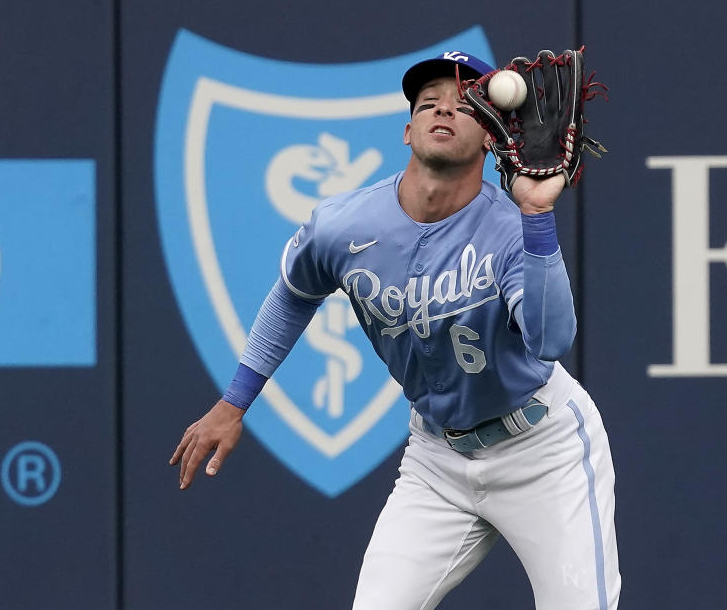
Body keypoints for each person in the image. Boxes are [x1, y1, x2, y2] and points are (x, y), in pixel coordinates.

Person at [170, 51, 620, 609]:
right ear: (407, 131)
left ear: (493, 137)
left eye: (464, 106)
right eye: (428, 103)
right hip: (437, 461)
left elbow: (551, 343)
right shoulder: (344, 225)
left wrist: (536, 216)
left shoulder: (510, 229)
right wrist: (234, 402)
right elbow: (292, 295)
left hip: (541, 450)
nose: (443, 111)